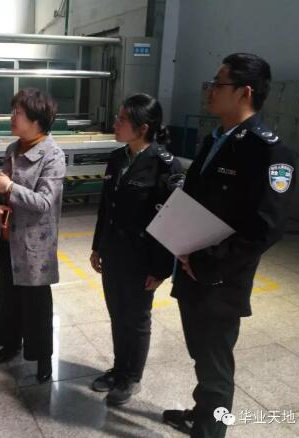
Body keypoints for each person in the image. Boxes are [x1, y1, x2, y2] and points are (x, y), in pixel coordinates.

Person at [163, 53, 297, 437]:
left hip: (220, 279)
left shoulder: (269, 152)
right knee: (202, 356)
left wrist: (207, 263)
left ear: (244, 92)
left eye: (219, 83)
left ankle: (211, 430)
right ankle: (202, 414)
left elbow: (265, 229)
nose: (210, 90)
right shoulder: (215, 140)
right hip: (191, 269)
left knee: (216, 365)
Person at [89, 94, 184, 405]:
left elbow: (172, 222)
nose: (115, 124)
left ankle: (132, 377)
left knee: (137, 318)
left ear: (142, 128)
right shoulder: (117, 158)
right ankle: (119, 369)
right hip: (114, 252)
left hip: (143, 259)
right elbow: (106, 208)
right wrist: (98, 247)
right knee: (117, 314)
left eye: (122, 120)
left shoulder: (165, 166)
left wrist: (161, 269)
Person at [0, 88, 66, 383]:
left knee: (36, 305)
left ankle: (43, 357)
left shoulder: (53, 155)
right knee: (8, 298)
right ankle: (10, 344)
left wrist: (10, 188)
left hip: (34, 245)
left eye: (18, 113)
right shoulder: (13, 148)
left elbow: (45, 202)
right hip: (8, 240)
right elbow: (0, 190)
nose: (12, 117)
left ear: (36, 119)